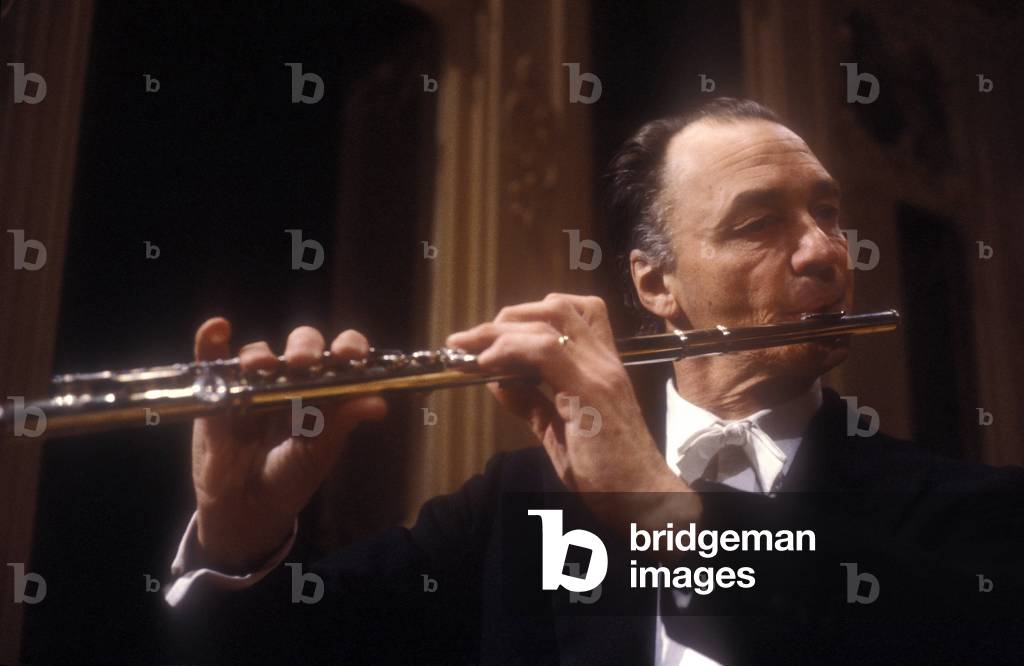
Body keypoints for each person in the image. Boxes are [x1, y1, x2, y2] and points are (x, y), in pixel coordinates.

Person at [164, 98, 1024, 665]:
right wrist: (237, 541)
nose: (825, 252)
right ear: (656, 286)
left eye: (828, 212)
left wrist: (659, 511)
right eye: (761, 223)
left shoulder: (963, 512)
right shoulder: (515, 508)